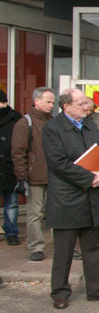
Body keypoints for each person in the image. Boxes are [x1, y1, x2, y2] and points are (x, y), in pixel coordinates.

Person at [42, 88, 99, 309]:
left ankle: (97, 289)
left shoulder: (90, 125)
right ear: (66, 106)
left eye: (86, 103)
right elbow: (58, 163)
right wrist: (88, 178)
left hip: (92, 196)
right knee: (64, 250)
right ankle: (60, 291)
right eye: (81, 104)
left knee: (94, 246)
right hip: (67, 197)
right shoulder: (52, 129)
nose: (86, 107)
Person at [12, 87, 54, 261]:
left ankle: (63, 246)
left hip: (54, 176)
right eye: (48, 101)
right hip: (35, 176)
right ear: (36, 101)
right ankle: (36, 247)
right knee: (35, 214)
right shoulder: (25, 123)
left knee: (57, 213)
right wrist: (22, 177)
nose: (52, 105)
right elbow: (18, 152)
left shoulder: (53, 122)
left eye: (53, 102)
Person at [0, 90, 22, 248]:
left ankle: (11, 232)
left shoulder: (16, 119)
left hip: (10, 168)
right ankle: (11, 233)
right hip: (10, 166)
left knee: (11, 203)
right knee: (11, 203)